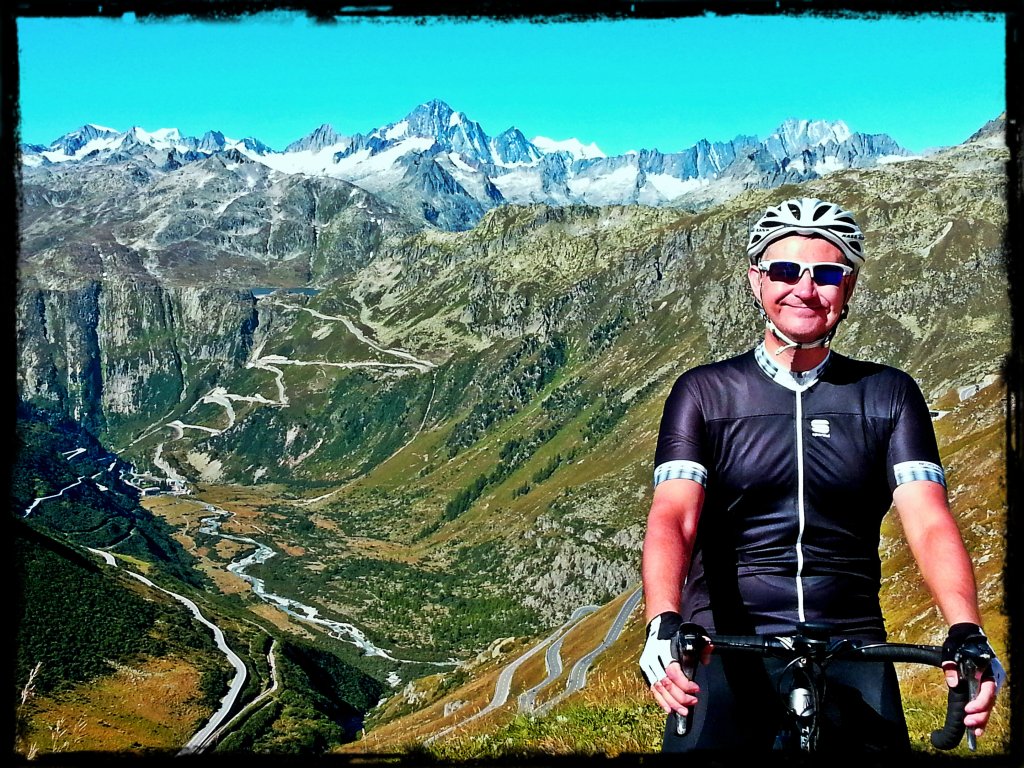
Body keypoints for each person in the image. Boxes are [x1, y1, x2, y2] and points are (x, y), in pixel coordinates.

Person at [638, 197, 1004, 752]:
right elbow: (674, 514)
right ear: (757, 281)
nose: (805, 290)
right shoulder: (704, 392)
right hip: (724, 642)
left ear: (848, 286)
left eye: (827, 274)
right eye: (786, 270)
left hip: (852, 639)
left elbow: (928, 520)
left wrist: (966, 629)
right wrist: (663, 621)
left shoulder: (889, 394)